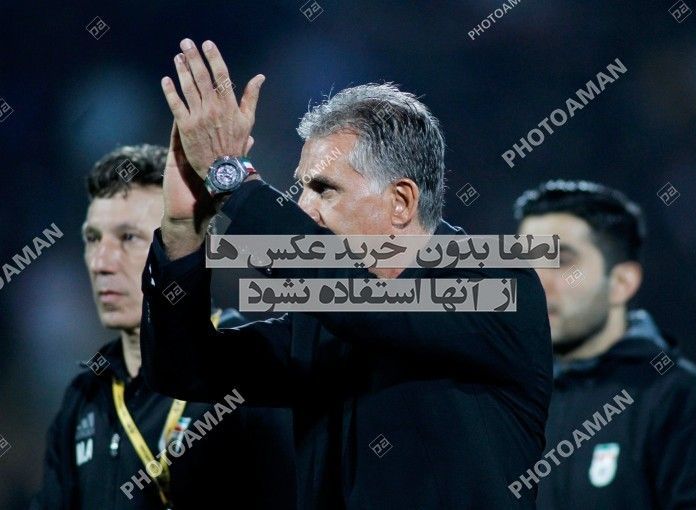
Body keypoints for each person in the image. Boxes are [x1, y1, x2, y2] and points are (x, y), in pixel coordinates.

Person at [140, 38, 553, 509]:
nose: (303, 207)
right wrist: (183, 228)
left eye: (323, 189)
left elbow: (366, 305)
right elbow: (184, 369)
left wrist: (234, 179)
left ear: (401, 202)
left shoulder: (498, 283)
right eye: (300, 188)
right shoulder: (320, 324)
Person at [31, 144, 296, 510]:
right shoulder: (84, 397)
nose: (101, 262)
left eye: (128, 237)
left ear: (181, 243)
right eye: (93, 239)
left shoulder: (253, 368)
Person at [514, 180, 696, 509]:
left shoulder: (682, 400)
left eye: (562, 261)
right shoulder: (512, 400)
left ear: (621, 283)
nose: (537, 282)